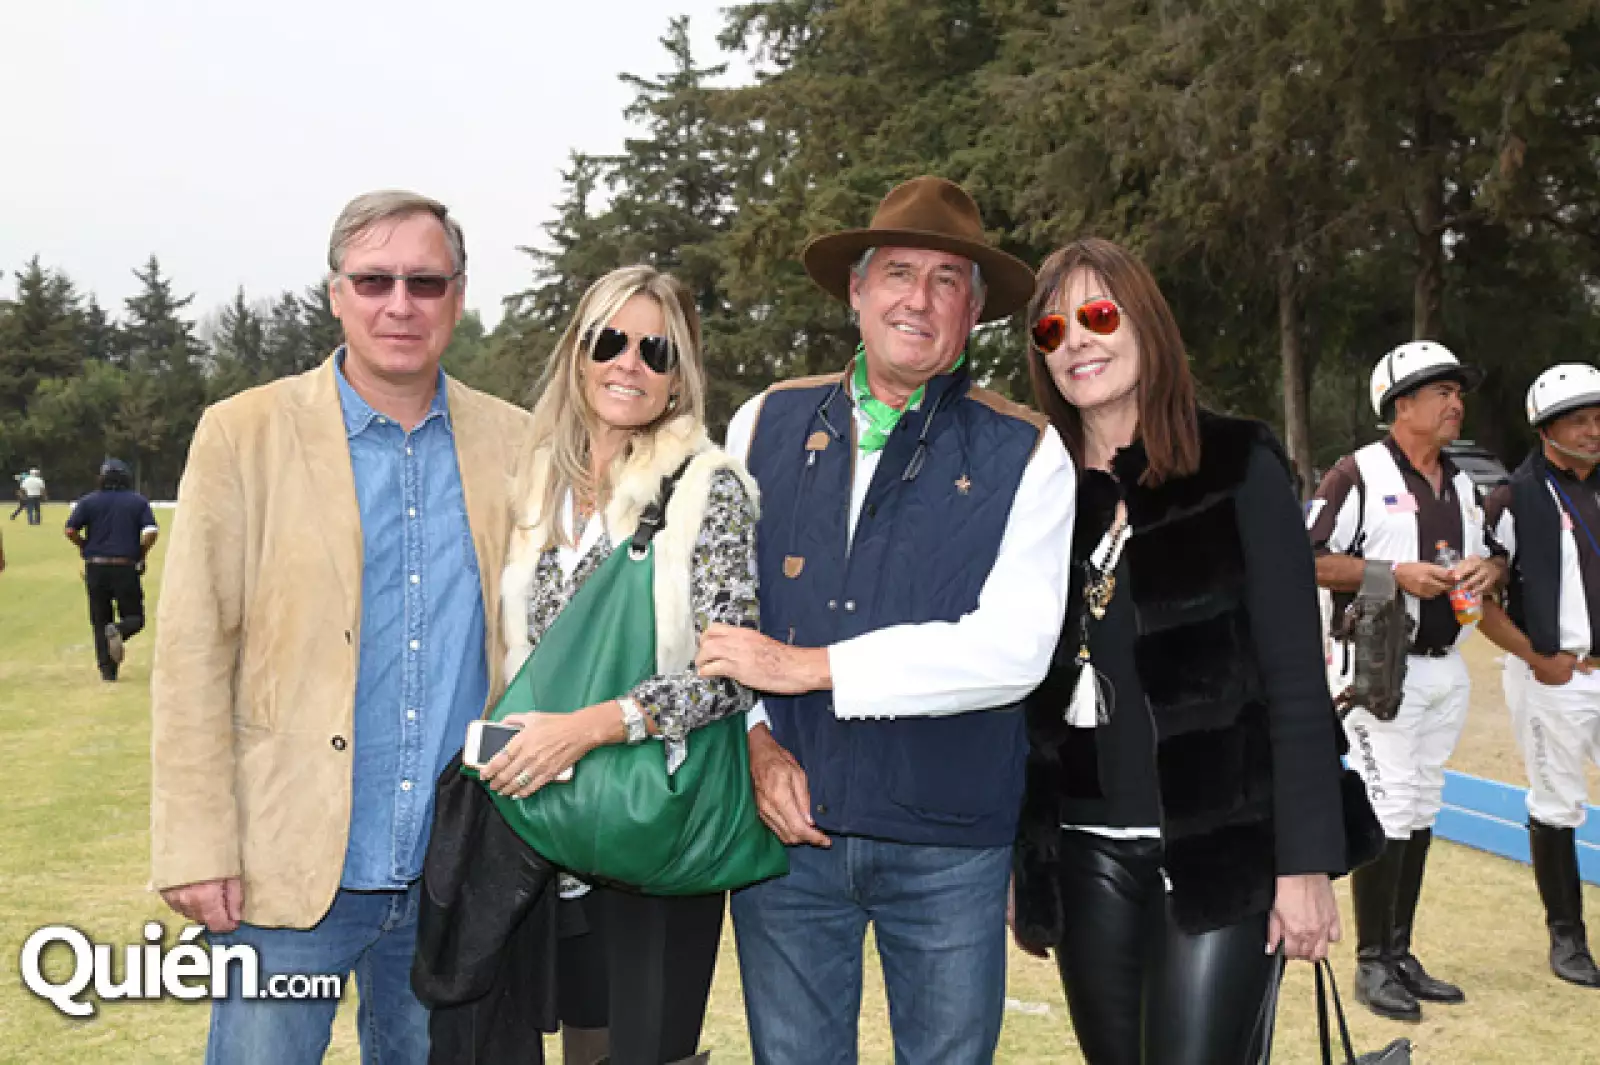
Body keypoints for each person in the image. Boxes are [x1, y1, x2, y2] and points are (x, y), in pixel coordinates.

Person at [150, 190, 539, 1065]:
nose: (399, 304)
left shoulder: (516, 443)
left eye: (425, 282)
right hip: (281, 871)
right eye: (374, 280)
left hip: (452, 875)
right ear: (335, 293)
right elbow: (189, 655)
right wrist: (195, 842)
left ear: (458, 295)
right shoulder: (240, 435)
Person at [699, 175, 1077, 1064]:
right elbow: (713, 613)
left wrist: (816, 666)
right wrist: (754, 739)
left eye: (948, 280)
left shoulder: (1029, 449)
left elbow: (1015, 651)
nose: (919, 297)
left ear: (975, 310)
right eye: (899, 271)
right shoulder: (763, 422)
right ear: (858, 291)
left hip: (950, 843)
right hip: (786, 836)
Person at [1008, 238, 1358, 1064]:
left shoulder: (1237, 465)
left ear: (1146, 326)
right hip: (1087, 850)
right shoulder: (1040, 488)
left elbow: (1296, 681)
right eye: (1053, 330)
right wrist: (1028, 865)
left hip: (1221, 849)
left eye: (1098, 315)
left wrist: (1304, 864)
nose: (1077, 342)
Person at [448, 264, 761, 1065]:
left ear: (678, 373)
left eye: (655, 349)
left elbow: (731, 666)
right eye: (611, 340)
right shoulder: (532, 484)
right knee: (571, 1042)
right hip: (538, 816)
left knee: (645, 1051)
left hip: (654, 811)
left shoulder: (705, 488)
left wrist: (596, 726)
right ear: (579, 353)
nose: (630, 362)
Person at [1307, 340, 1504, 1021]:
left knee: (1420, 807)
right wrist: (1395, 575)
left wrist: (1488, 571)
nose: (1456, 403)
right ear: (1400, 405)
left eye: (1458, 390)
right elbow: (1308, 557)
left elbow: (1492, 556)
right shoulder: (1356, 473)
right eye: (1440, 391)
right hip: (1377, 669)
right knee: (1389, 806)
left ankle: (1399, 951)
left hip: (1444, 667)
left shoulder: (1464, 482)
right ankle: (1370, 962)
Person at [1478, 363, 1600, 988]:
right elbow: (1479, 601)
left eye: (1599, 417)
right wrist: (1536, 658)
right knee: (1558, 804)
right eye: (1580, 419)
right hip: (1556, 674)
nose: (1595, 430)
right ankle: (1567, 939)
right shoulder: (1513, 498)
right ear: (1547, 428)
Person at [64, 458, 158, 681]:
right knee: (135, 617)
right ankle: (120, 630)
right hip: (125, 566)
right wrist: (142, 552)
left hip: (95, 566)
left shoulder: (88, 502)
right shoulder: (138, 502)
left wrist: (84, 545)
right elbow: (151, 532)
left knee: (99, 620)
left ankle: (108, 672)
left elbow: (70, 530)